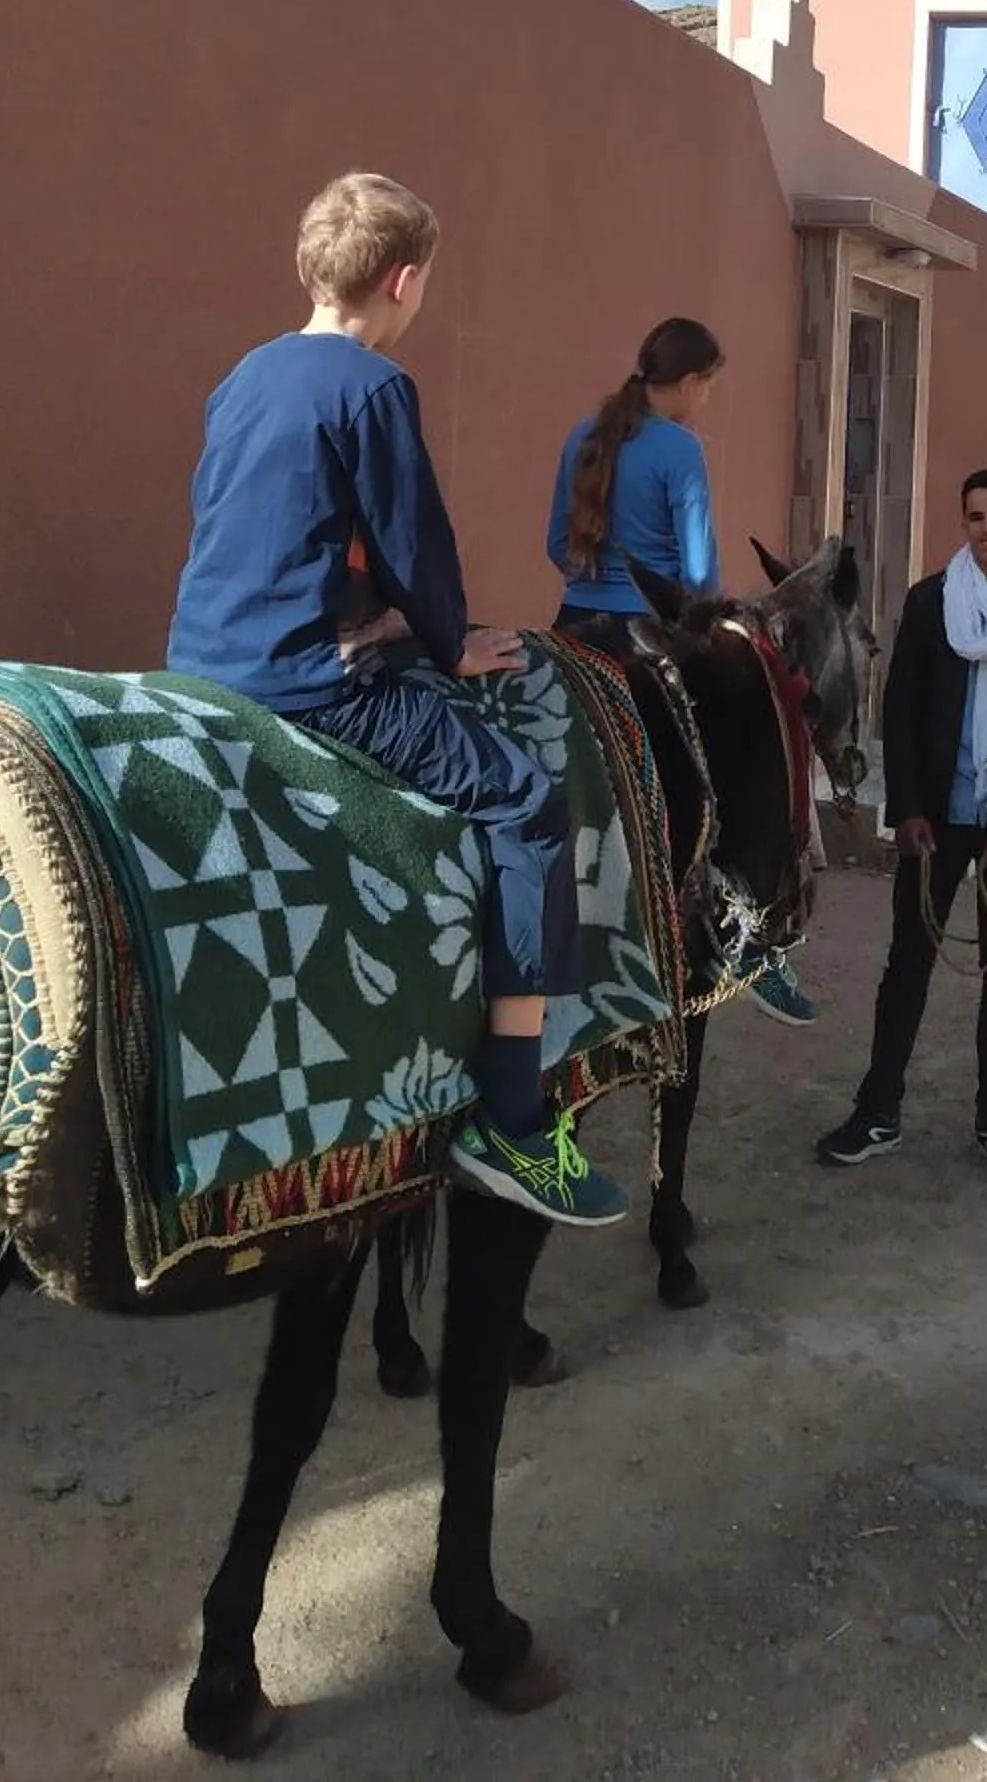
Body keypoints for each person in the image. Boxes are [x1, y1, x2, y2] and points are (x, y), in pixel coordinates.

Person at [168, 170, 629, 1228]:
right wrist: (450, 643)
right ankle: (514, 1116)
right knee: (527, 806)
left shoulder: (243, 376)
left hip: (201, 661)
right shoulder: (373, 388)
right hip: (308, 681)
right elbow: (416, 544)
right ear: (405, 280)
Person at [546, 320, 819, 1028]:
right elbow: (699, 576)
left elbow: (556, 546)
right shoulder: (681, 450)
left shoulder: (584, 435)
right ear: (694, 382)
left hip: (571, 635)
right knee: (752, 769)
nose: (706, 401)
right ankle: (754, 944)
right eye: (708, 387)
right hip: (650, 647)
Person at [815, 468, 987, 1179]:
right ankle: (877, 1113)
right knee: (908, 964)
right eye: (975, 517)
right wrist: (906, 809)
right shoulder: (931, 603)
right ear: (963, 525)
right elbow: (900, 711)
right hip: (937, 819)